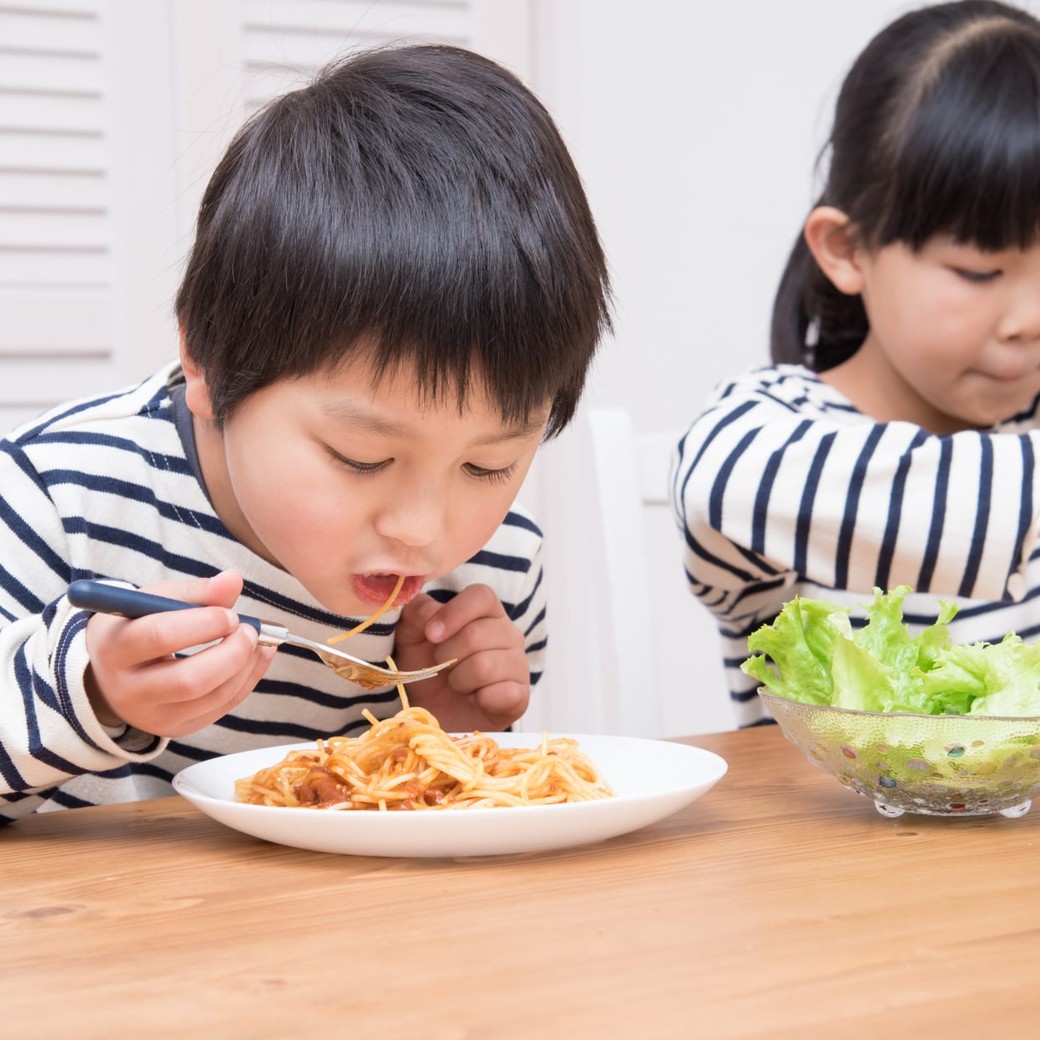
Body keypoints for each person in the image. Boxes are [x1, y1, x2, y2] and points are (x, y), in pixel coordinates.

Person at [0, 44, 611, 821]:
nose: (424, 528)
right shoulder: (58, 498)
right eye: (362, 457)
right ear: (208, 361)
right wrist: (91, 690)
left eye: (488, 466)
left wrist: (453, 740)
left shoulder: (492, 565)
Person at [672, 0, 1040, 726]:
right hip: (834, 841)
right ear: (848, 250)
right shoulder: (761, 433)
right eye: (977, 271)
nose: (1029, 320)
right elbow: (713, 481)